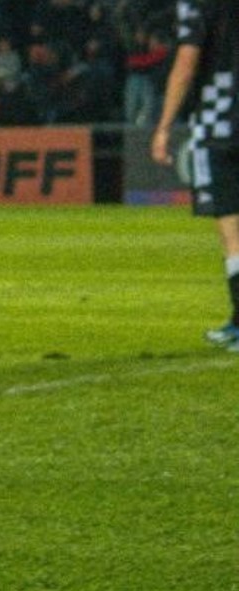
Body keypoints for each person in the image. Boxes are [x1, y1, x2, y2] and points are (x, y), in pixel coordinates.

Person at [151, 0, 239, 352]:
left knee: (232, 231)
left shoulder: (199, 6)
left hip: (219, 128)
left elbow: (186, 64)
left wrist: (163, 127)